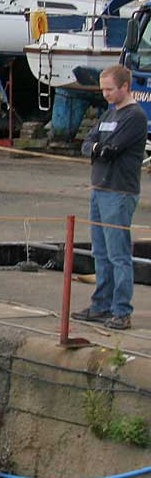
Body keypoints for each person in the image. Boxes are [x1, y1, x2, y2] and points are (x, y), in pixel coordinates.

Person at [72, 65, 147, 330]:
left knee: (118, 254)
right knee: (100, 252)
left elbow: (111, 149)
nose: (105, 94)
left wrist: (98, 148)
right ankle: (101, 305)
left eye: (109, 89)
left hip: (119, 192)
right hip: (99, 189)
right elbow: (88, 143)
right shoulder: (108, 113)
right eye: (102, 89)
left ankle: (121, 310)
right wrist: (96, 148)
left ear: (125, 87)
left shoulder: (135, 117)